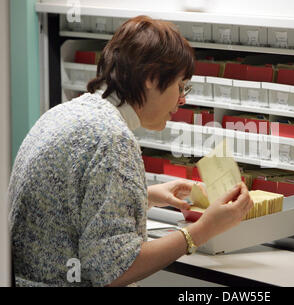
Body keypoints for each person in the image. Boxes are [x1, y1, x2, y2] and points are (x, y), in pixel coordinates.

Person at [8, 15, 253, 287]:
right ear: (151, 77)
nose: (182, 99)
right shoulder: (112, 139)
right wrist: (202, 230)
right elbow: (115, 270)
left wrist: (143, 196)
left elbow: (69, 206)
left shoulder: (69, 112)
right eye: (180, 86)